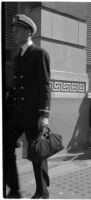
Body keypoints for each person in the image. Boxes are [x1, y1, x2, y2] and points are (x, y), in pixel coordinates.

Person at [4, 14, 51, 198]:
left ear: (28, 32)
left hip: (33, 115)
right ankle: (14, 189)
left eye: (18, 30)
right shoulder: (17, 57)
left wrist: (44, 114)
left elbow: (45, 85)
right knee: (5, 146)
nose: (14, 33)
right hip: (16, 114)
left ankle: (42, 191)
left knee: (37, 154)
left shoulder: (39, 54)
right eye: (13, 30)